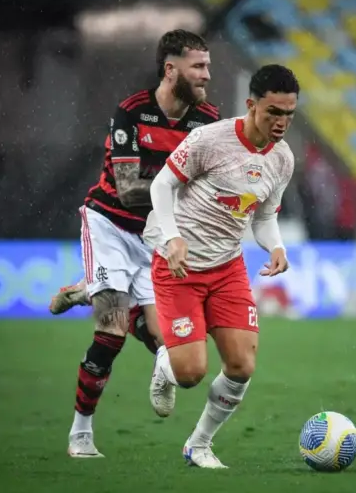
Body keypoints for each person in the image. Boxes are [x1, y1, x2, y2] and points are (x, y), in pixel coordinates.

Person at [67, 29, 221, 458]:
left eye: (207, 65)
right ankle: (81, 432)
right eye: (199, 66)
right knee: (112, 330)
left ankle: (91, 289)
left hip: (159, 235)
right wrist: (181, 188)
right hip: (111, 226)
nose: (207, 74)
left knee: (168, 344)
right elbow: (130, 190)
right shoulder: (131, 113)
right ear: (171, 70)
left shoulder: (208, 121)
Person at [145, 64, 299, 468]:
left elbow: (263, 218)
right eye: (273, 113)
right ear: (251, 105)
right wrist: (172, 236)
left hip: (227, 267)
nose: (281, 122)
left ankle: (198, 445)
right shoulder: (209, 140)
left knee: (242, 365)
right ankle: (166, 364)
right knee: (191, 372)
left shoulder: (282, 160)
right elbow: (161, 185)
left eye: (289, 114)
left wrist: (276, 247)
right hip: (179, 266)